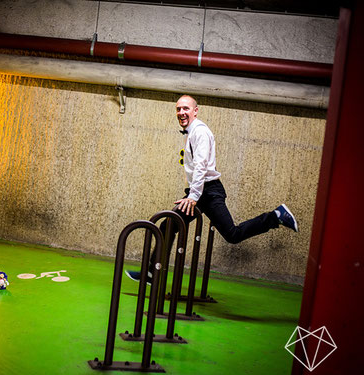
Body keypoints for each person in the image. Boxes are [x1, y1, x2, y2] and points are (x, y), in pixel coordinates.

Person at [126, 94, 298, 283]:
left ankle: (276, 216)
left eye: (186, 108)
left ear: (195, 111)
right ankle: (152, 272)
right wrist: (193, 194)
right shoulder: (192, 132)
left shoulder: (200, 132)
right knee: (169, 224)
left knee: (232, 235)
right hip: (200, 191)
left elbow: (201, 166)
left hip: (207, 192)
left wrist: (193, 196)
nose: (181, 112)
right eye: (178, 109)